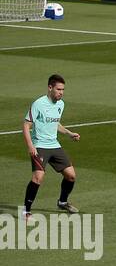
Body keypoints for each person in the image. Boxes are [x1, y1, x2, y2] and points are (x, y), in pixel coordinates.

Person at [22, 73, 82, 223]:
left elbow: (55, 124)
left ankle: (62, 202)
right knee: (38, 177)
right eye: (58, 89)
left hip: (54, 144)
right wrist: (30, 146)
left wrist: (69, 133)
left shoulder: (61, 104)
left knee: (71, 175)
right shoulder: (39, 104)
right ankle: (26, 211)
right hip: (40, 146)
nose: (61, 92)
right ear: (50, 88)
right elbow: (26, 125)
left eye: (63, 90)